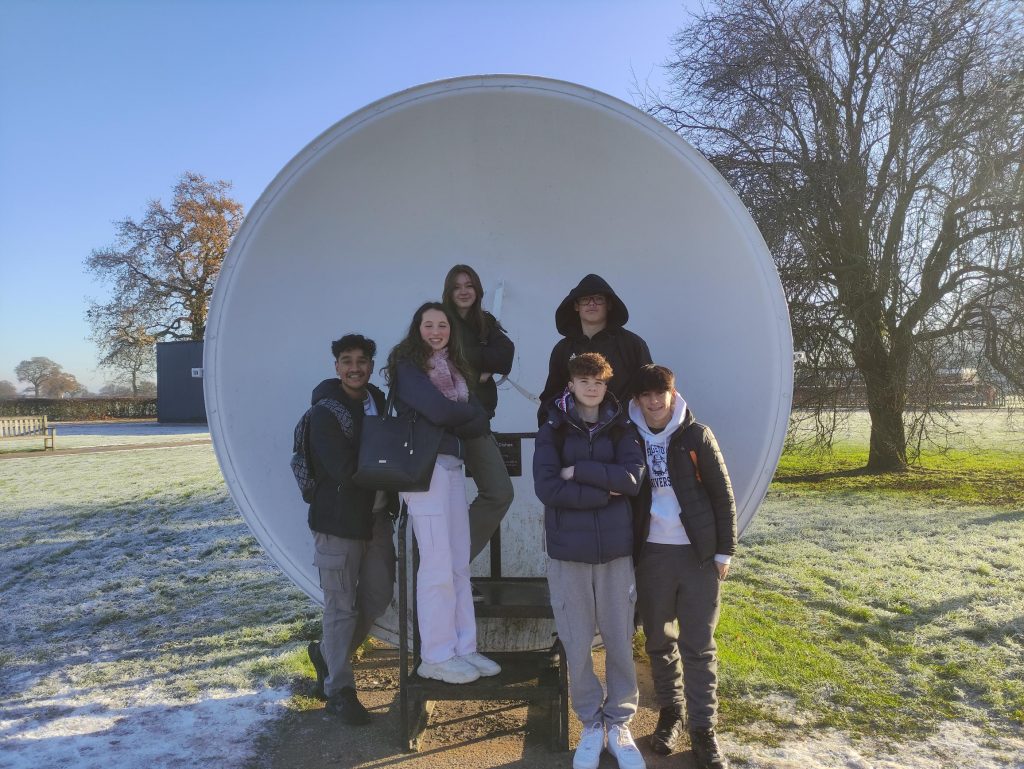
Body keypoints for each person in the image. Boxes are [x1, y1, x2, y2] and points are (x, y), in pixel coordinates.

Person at [533, 353, 647, 769]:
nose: (592, 388)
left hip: (616, 552)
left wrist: (578, 469)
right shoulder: (553, 428)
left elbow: (632, 479)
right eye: (584, 380)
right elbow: (547, 487)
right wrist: (604, 488)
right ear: (572, 383)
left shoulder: (622, 426)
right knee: (577, 642)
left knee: (618, 639)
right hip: (569, 554)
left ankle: (618, 721)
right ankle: (590, 723)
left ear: (606, 383)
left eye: (598, 381)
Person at [386, 301, 501, 684]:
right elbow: (439, 411)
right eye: (428, 325)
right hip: (423, 471)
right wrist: (473, 417)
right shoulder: (407, 365)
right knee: (435, 565)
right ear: (417, 328)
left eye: (443, 326)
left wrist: (467, 417)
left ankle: (463, 647)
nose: (436, 332)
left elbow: (460, 412)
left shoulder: (452, 366)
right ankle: (435, 656)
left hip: (450, 465)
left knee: (457, 565)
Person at [628, 364, 737, 769]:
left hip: (698, 555)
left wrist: (724, 551)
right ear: (637, 400)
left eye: (662, 393)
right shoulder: (628, 437)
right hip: (651, 554)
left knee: (699, 644)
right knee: (658, 639)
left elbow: (722, 495)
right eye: (647, 395)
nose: (655, 401)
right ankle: (671, 714)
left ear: (673, 395)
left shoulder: (696, 436)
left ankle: (704, 729)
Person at [305, 334, 397, 725]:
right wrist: (387, 451)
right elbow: (342, 469)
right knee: (340, 607)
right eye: (347, 361)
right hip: (338, 523)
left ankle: (327, 655)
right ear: (336, 367)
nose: (355, 367)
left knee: (377, 596)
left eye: (362, 360)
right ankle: (340, 690)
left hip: (376, 520)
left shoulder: (379, 402)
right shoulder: (325, 413)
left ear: (372, 366)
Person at [441, 264, 515, 560]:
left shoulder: (486, 322)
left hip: (476, 422)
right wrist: (478, 370)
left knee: (499, 492)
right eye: (457, 285)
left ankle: (454, 561)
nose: (463, 291)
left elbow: (505, 355)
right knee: (439, 504)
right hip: (442, 425)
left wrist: (469, 365)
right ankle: (437, 572)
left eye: (469, 285)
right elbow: (441, 366)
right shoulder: (438, 320)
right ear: (448, 290)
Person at [537, 274, 652, 426]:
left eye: (598, 299)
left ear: (609, 304)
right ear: (576, 306)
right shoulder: (563, 349)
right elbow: (551, 395)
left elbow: (650, 389)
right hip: (576, 434)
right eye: (585, 299)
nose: (592, 304)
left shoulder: (632, 345)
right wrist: (549, 431)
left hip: (623, 432)